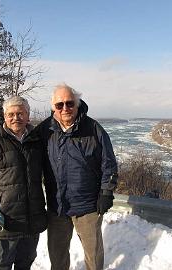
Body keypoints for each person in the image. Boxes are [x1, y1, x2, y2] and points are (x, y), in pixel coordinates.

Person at [37, 83, 118, 270]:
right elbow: (27, 159)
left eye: (69, 103)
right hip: (57, 205)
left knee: (93, 255)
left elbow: (109, 163)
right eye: (59, 105)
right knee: (57, 255)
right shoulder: (44, 131)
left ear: (77, 103)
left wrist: (106, 192)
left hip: (88, 206)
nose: (65, 108)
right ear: (53, 108)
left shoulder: (93, 129)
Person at [0, 96, 47, 270]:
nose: (15, 118)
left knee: (25, 263)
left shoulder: (37, 143)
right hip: (4, 219)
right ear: (4, 117)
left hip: (32, 219)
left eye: (20, 113)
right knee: (3, 264)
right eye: (11, 114)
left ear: (27, 116)